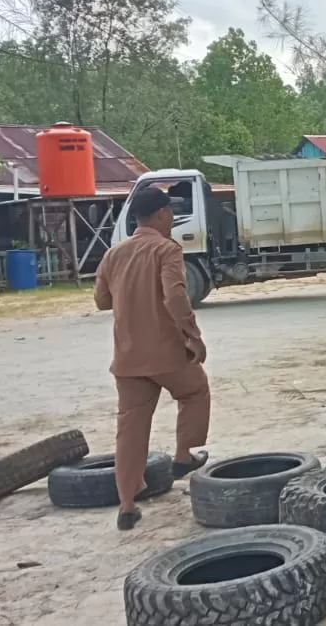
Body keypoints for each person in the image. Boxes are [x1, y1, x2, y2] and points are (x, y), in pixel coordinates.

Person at [94, 187, 210, 530]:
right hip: (165, 353)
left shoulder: (114, 254)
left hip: (127, 358)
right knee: (194, 392)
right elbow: (175, 294)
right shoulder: (166, 249)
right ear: (161, 214)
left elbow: (101, 301)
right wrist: (192, 335)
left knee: (130, 427)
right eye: (170, 213)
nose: (172, 218)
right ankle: (183, 455)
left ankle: (127, 504)